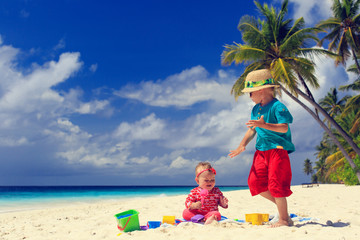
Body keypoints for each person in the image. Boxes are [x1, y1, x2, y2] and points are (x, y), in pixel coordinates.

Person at [229, 69, 295, 227]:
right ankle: (283, 212)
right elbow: (252, 129)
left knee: (276, 184)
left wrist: (264, 125)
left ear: (260, 90)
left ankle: (284, 219)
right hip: (261, 150)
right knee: (255, 183)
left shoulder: (278, 106)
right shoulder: (255, 109)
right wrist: (241, 145)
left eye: (250, 93)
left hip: (277, 149)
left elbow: (284, 128)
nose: (250, 96)